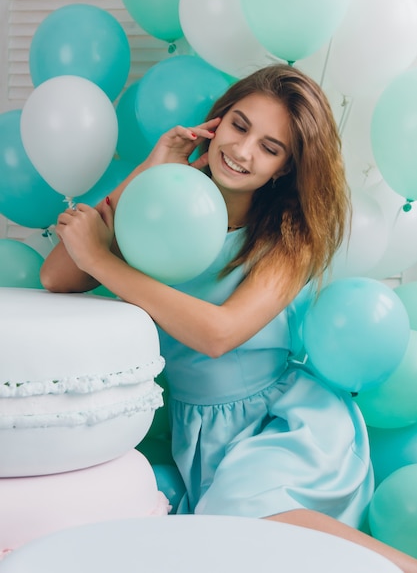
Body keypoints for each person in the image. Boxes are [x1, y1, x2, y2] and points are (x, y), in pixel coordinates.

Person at [41, 64, 417, 572]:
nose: (242, 152)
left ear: (286, 168)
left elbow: (218, 334)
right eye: (239, 126)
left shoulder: (288, 236)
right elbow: (57, 277)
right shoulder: (165, 199)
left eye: (270, 147)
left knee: (235, 515)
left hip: (279, 421)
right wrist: (151, 171)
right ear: (215, 123)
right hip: (197, 425)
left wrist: (104, 261)